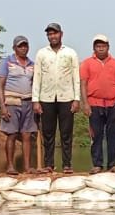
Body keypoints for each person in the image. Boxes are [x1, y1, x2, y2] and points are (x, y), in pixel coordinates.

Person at [32, 22, 80, 173]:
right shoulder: (41, 53)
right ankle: (49, 164)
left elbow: (76, 77)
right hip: (46, 97)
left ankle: (67, 164)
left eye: (55, 33)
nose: (52, 36)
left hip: (67, 97)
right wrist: (35, 100)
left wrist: (77, 99)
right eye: (49, 34)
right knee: (48, 133)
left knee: (66, 133)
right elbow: (37, 77)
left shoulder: (70, 53)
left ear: (61, 34)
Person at [80, 34, 115, 173]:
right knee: (96, 135)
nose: (101, 49)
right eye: (98, 46)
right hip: (94, 102)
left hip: (112, 103)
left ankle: (112, 164)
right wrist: (85, 103)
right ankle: (97, 164)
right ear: (94, 48)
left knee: (113, 135)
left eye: (103, 46)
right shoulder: (87, 63)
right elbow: (83, 84)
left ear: (108, 47)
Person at [0, 36, 37, 175]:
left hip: (28, 102)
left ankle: (27, 167)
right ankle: (10, 166)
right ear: (14, 48)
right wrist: (2, 106)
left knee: (27, 135)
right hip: (12, 102)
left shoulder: (32, 64)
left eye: (25, 46)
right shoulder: (7, 62)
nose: (23, 48)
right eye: (20, 46)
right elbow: (0, 85)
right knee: (12, 135)